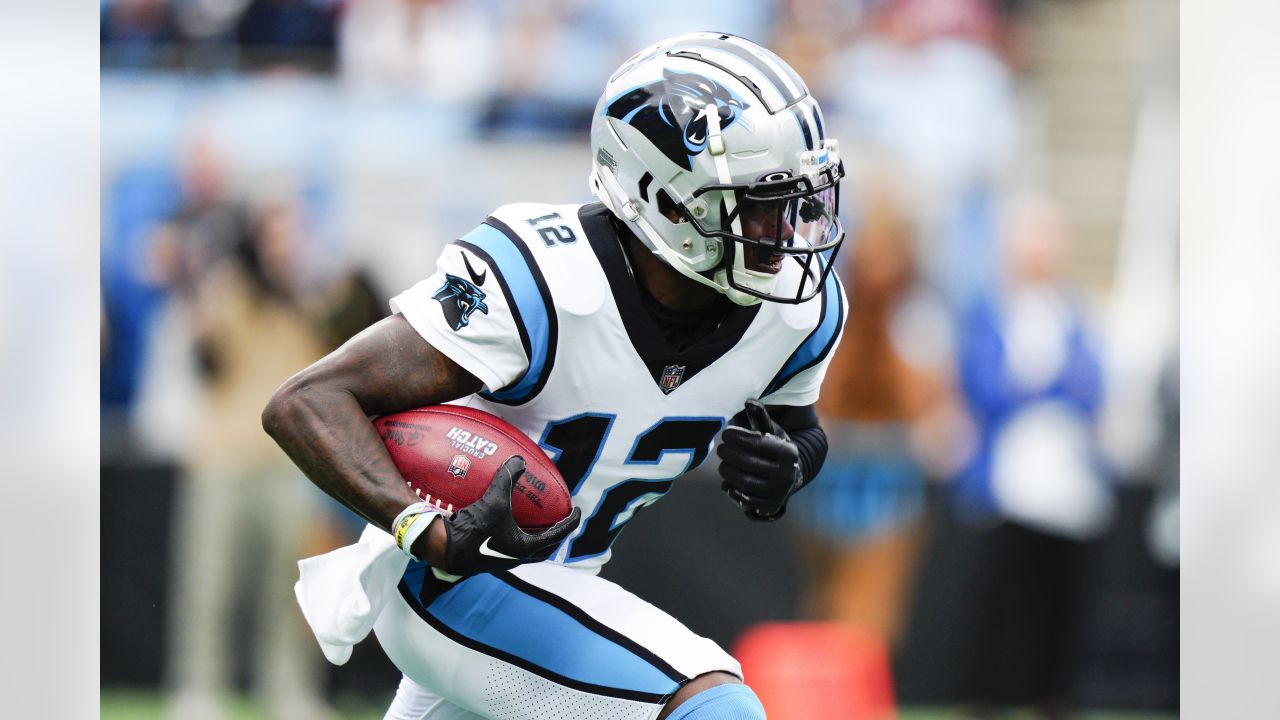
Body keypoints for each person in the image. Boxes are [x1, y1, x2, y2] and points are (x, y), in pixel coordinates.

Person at [265, 33, 848, 720]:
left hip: (558, 596)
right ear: (663, 198)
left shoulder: (796, 313)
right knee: (713, 708)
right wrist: (423, 529)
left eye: (795, 201)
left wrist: (791, 466)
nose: (785, 233)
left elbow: (801, 429)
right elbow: (308, 402)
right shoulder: (543, 281)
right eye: (758, 204)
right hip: (453, 581)